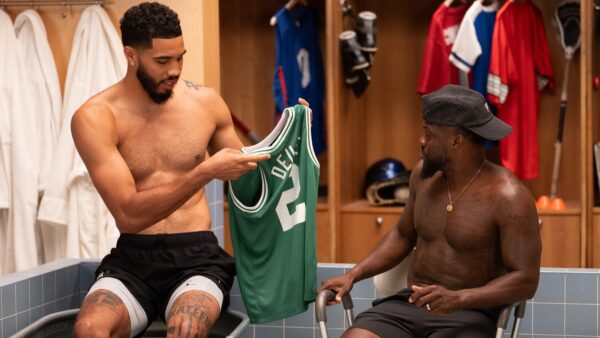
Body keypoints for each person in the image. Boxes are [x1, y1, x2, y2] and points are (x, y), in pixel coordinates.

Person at [70, 3, 272, 338]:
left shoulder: (205, 103)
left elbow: (250, 176)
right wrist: (204, 173)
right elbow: (128, 215)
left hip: (197, 257)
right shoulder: (95, 116)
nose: (175, 70)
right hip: (133, 257)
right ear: (131, 55)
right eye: (162, 61)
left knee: (186, 327)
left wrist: (290, 135)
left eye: (180, 57)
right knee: (90, 329)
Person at [319, 84, 542, 338]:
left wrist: (459, 298)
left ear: (457, 140)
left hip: (471, 313)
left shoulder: (510, 197)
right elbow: (403, 235)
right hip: (410, 304)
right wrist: (353, 275)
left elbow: (526, 279)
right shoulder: (422, 177)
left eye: (429, 133)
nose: (421, 141)